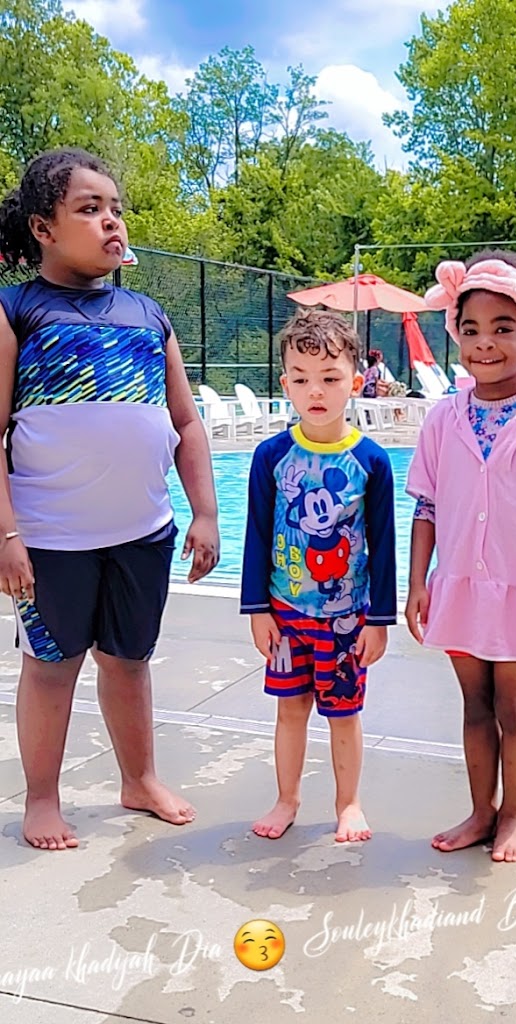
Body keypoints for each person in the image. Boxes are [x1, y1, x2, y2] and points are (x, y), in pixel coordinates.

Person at [0, 147, 220, 850]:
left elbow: (186, 422)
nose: (111, 221)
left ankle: (140, 778)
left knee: (129, 660)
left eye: (116, 209)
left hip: (141, 530)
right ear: (43, 227)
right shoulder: (17, 309)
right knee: (52, 667)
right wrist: (6, 536)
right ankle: (42, 798)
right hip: (51, 537)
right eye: (89, 209)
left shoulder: (148, 314)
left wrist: (205, 512)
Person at [405, 249, 516, 864]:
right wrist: (417, 582)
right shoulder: (442, 418)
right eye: (471, 328)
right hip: (458, 586)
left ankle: (515, 815)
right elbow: (426, 506)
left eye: (503, 328)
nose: (485, 343)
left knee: (514, 707)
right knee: (475, 706)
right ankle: (481, 810)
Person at [240, 309, 396, 842]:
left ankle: (348, 803)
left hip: (346, 618)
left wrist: (379, 620)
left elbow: (383, 545)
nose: (316, 391)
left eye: (330, 379)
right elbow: (257, 535)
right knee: (290, 711)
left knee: (343, 714)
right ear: (285, 384)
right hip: (285, 614)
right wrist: (257, 610)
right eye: (302, 379)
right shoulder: (271, 456)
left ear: (355, 382)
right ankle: (286, 799)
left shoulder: (371, 461)